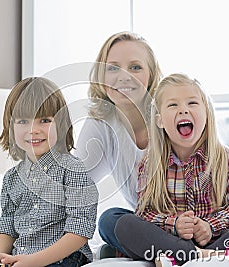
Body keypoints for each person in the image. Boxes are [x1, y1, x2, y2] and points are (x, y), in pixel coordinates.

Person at [114, 73, 229, 266]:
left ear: (206, 114)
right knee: (122, 224)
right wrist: (174, 224)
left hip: (218, 240)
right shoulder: (150, 164)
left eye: (192, 103)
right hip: (170, 240)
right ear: (159, 121)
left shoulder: (225, 159)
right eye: (173, 105)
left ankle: (189, 256)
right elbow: (144, 213)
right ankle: (206, 256)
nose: (183, 110)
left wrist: (210, 226)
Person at [0, 77, 98, 267]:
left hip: (63, 258)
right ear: (10, 127)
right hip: (21, 255)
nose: (33, 130)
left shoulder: (73, 170)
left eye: (44, 120)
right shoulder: (11, 178)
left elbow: (80, 229)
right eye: (23, 121)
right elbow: (8, 224)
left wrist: (33, 261)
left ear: (60, 124)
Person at [74, 31, 162, 258]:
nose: (124, 76)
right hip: (150, 227)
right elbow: (72, 189)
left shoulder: (169, 114)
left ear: (151, 76)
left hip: (195, 219)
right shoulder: (101, 123)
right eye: (113, 68)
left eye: (135, 67)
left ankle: (163, 251)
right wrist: (20, 243)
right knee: (109, 221)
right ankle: (184, 253)